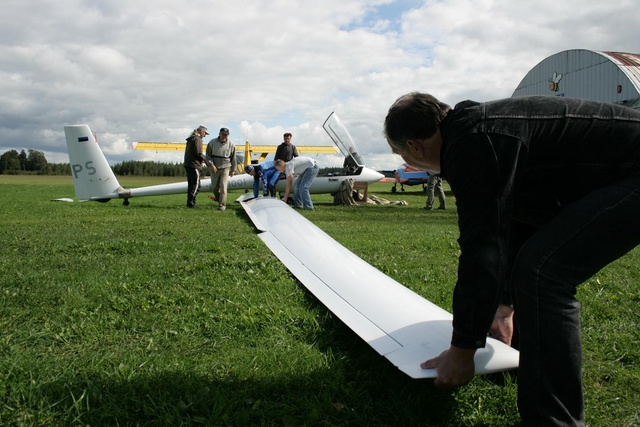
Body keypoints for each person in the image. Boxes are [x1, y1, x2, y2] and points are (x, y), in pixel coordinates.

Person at [383, 92, 640, 426]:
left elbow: (482, 248)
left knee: (543, 273)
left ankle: (552, 421)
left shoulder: (474, 142)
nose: (411, 165)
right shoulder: (477, 132)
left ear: (415, 147)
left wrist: (462, 349)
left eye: (404, 156)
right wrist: (503, 306)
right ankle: (524, 366)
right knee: (535, 263)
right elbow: (513, 226)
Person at [206, 127, 237, 211]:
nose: (225, 136)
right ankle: (219, 199)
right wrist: (212, 165)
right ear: (219, 134)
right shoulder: (212, 143)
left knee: (223, 186)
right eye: (223, 134)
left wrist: (233, 170)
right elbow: (208, 156)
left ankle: (222, 206)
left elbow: (233, 158)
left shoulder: (231, 144)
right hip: (214, 167)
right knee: (214, 188)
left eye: (226, 135)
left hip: (225, 167)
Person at [183, 125, 209, 208]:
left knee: (191, 185)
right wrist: (206, 161)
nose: (204, 135)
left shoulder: (191, 139)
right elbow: (198, 153)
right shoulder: (198, 139)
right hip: (194, 165)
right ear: (200, 131)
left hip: (188, 164)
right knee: (196, 185)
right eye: (204, 133)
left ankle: (191, 202)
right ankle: (191, 203)